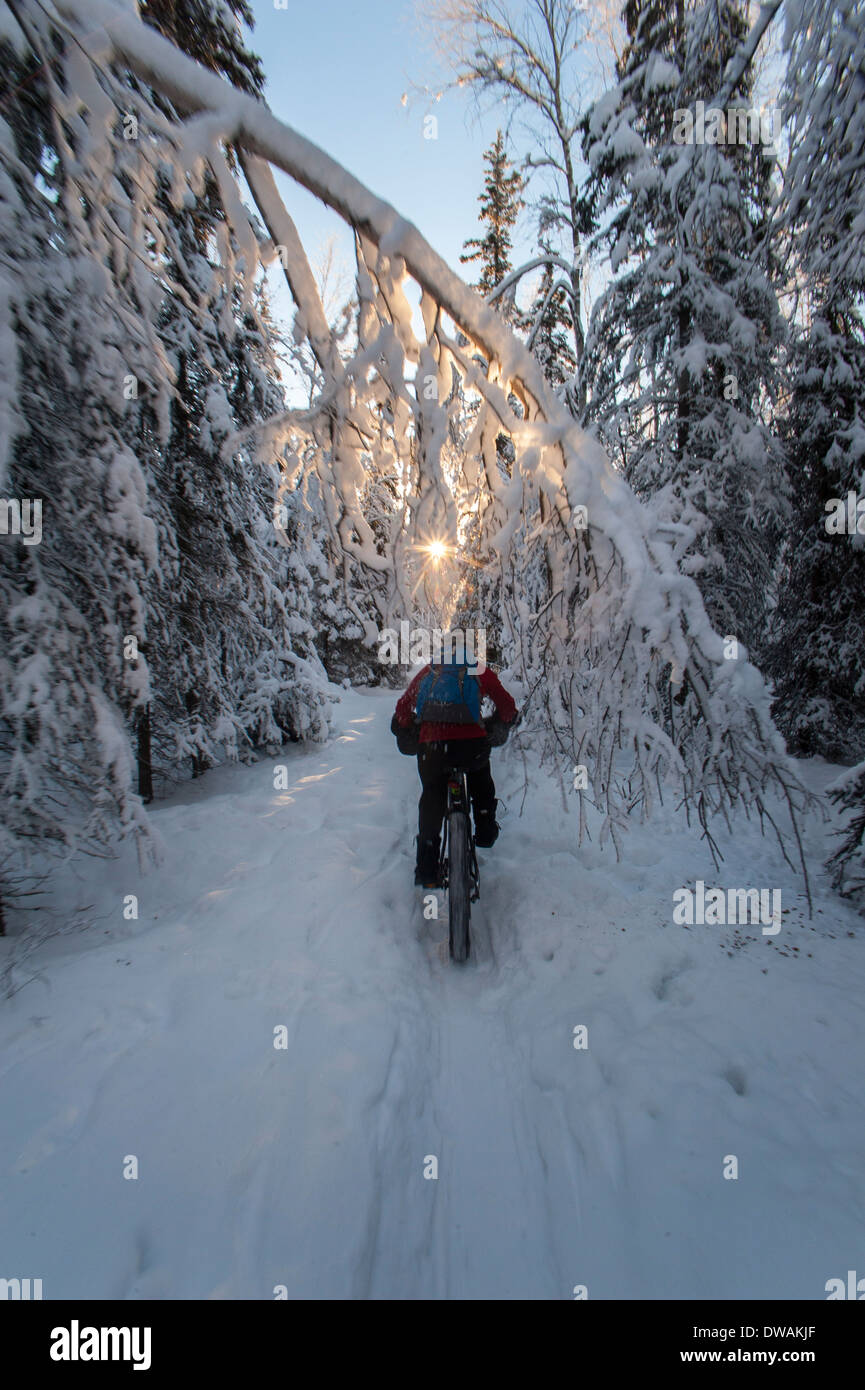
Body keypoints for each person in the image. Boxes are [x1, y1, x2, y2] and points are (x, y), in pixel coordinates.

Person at [391, 653, 518, 887]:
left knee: (432, 794)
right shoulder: (477, 670)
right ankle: (485, 827)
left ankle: (427, 867)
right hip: (472, 747)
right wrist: (500, 722)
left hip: (434, 748)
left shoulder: (430, 671)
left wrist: (406, 726)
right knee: (481, 777)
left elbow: (403, 707)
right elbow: (507, 706)